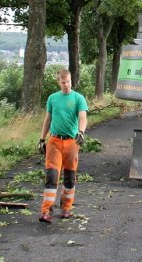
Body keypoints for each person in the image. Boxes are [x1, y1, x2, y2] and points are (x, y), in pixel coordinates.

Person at [37, 69, 88, 223]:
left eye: (68, 82)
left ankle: (66, 208)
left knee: (69, 176)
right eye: (63, 82)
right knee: (52, 175)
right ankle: (46, 211)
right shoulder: (52, 98)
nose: (66, 85)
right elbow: (48, 119)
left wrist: (81, 132)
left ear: (71, 81)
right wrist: (42, 139)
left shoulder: (78, 98)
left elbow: (82, 117)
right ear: (58, 82)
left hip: (71, 142)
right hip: (54, 141)